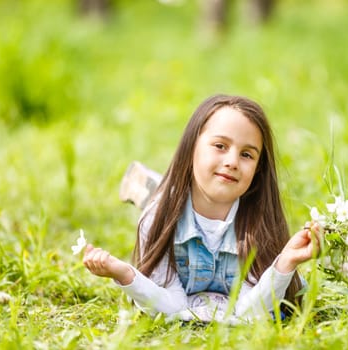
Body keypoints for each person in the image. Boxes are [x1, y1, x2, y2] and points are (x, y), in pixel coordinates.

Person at [83, 94, 320, 322]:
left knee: (173, 197)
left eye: (246, 154)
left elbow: (251, 312)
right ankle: (150, 187)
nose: (232, 162)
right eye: (220, 145)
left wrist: (286, 263)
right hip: (170, 210)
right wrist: (124, 274)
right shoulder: (156, 219)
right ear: (192, 147)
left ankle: (156, 185)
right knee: (163, 202)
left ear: (258, 170)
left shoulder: (260, 223)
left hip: (195, 205)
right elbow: (170, 305)